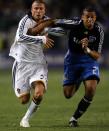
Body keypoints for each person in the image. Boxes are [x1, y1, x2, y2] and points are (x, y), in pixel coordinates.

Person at [54, 6, 104, 127]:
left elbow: (97, 56)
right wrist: (42, 29)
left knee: (91, 89)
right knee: (68, 95)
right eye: (87, 17)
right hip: (72, 60)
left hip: (89, 60)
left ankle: (74, 118)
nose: (90, 19)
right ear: (82, 17)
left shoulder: (98, 30)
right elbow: (55, 21)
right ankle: (79, 78)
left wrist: (87, 50)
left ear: (95, 18)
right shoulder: (74, 24)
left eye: (92, 17)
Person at [9, 0, 55, 128]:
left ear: (44, 10)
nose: (38, 11)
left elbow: (58, 31)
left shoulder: (47, 22)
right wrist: (42, 38)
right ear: (31, 9)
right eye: (36, 8)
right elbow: (20, 38)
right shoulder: (25, 21)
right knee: (24, 100)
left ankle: (25, 119)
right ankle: (33, 104)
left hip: (38, 64)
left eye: (41, 9)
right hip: (22, 64)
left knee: (39, 94)